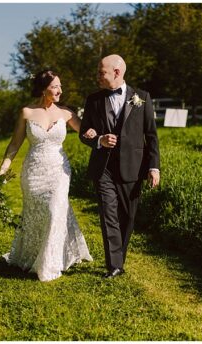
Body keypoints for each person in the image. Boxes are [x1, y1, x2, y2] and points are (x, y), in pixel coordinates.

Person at [0, 70, 94, 281]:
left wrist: (93, 133)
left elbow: (86, 132)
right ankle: (32, 255)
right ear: (43, 89)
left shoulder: (66, 113)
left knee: (53, 210)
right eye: (55, 86)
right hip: (33, 172)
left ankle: (50, 264)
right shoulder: (27, 112)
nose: (60, 90)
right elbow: (14, 144)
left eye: (60, 86)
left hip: (59, 170)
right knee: (37, 215)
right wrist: (3, 169)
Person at [79, 54, 161, 279]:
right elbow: (84, 133)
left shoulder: (142, 98)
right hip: (103, 167)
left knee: (127, 217)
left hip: (133, 167)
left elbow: (151, 136)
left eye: (101, 72)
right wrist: (98, 139)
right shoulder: (93, 100)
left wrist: (154, 167)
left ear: (116, 72)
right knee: (108, 215)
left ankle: (119, 258)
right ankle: (114, 265)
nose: (97, 76)